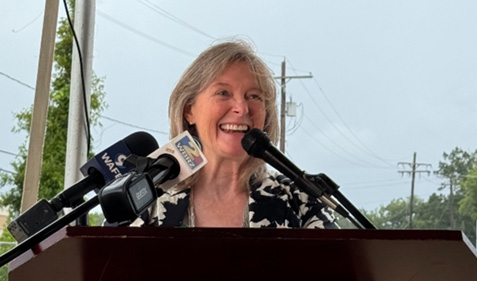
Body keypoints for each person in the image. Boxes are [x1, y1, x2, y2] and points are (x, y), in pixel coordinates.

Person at [144, 40, 337, 229]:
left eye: (254, 96)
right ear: (189, 111)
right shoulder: (148, 199)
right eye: (223, 93)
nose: (242, 108)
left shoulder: (302, 201)